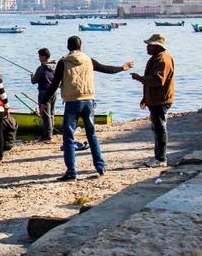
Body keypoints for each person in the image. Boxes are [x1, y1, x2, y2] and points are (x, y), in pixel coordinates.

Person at [42, 36, 133, 181]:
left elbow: (54, 85)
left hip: (72, 102)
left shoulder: (63, 62)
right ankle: (100, 166)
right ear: (81, 46)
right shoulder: (89, 60)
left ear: (68, 47)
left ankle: (71, 172)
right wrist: (123, 68)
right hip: (88, 101)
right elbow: (106, 69)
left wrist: (43, 101)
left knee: (69, 137)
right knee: (92, 135)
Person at [130, 33, 175, 168]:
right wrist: (145, 98)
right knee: (157, 128)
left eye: (149, 45)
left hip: (161, 100)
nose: (147, 48)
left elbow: (158, 80)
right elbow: (152, 81)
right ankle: (159, 157)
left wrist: (139, 78)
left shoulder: (163, 60)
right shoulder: (156, 58)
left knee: (159, 128)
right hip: (155, 99)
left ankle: (161, 159)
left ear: (157, 46)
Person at [30, 48, 57, 141]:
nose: (39, 58)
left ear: (44, 57)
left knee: (45, 114)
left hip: (44, 93)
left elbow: (34, 81)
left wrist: (32, 76)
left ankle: (47, 135)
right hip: (54, 92)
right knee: (52, 113)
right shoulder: (56, 66)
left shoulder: (41, 68)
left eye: (40, 56)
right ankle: (50, 132)